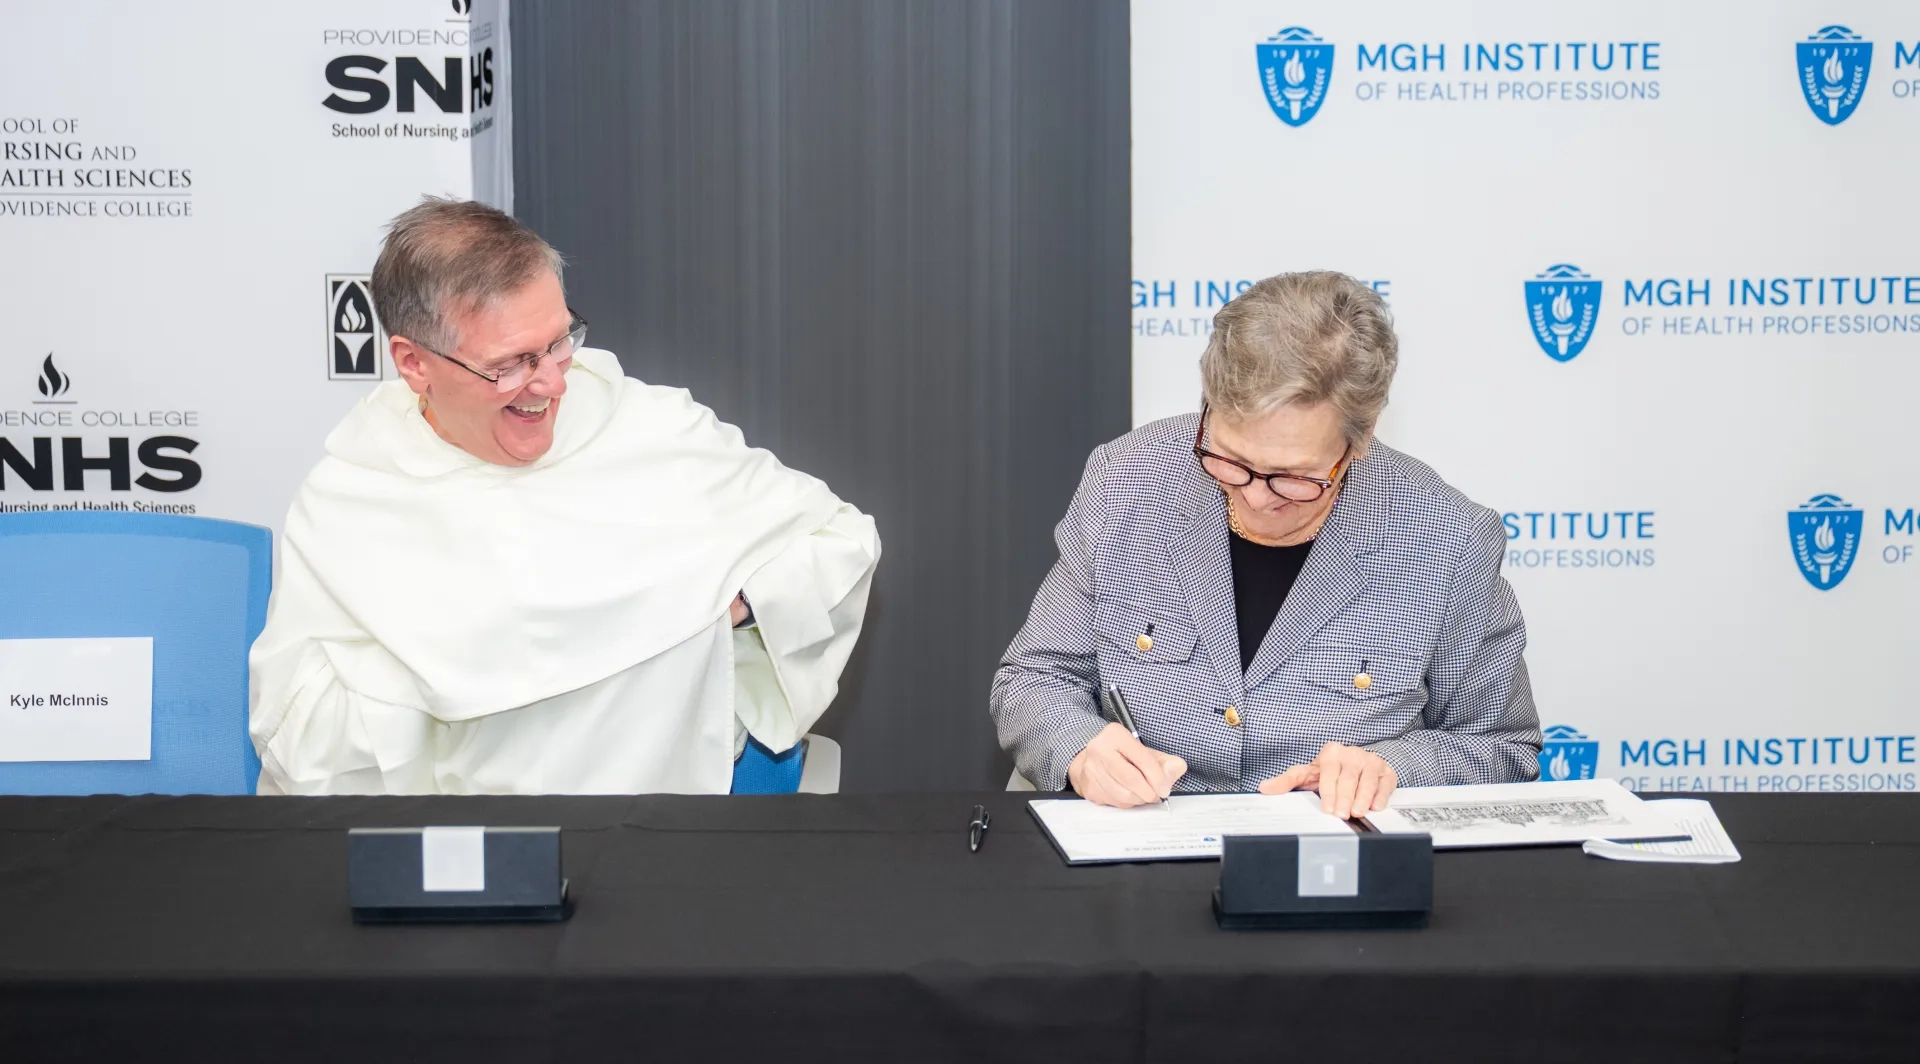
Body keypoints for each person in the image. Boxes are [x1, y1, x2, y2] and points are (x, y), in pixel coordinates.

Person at [250, 198, 880, 794]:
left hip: (663, 825)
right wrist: (450, 672)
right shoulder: (354, 497)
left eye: (558, 342)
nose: (552, 384)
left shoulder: (651, 429)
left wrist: (729, 604)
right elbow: (297, 725)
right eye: (513, 363)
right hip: (467, 851)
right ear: (414, 363)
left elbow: (837, 541)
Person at [993, 271, 1540, 818]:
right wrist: (1079, 747)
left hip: (1328, 866)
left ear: (1362, 437)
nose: (1256, 498)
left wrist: (1395, 767)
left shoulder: (1447, 536)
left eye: (1295, 478)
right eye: (1230, 461)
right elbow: (1033, 678)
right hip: (1138, 842)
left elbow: (1501, 747)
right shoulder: (1128, 478)